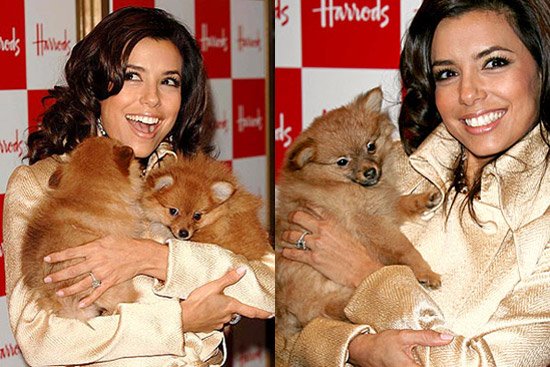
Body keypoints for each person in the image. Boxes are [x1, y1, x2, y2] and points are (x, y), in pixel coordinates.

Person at [276, 0, 550, 365]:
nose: (468, 94)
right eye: (447, 74)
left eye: (494, 63)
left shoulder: (541, 214)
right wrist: (357, 349)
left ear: (541, 64)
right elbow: (283, 340)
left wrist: (366, 276)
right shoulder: (396, 167)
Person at [3, 7, 274, 366]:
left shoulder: (191, 180)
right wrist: (178, 321)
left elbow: (269, 291)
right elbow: (43, 343)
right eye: (133, 76)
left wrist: (158, 258)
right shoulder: (41, 186)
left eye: (169, 81)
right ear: (96, 84)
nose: (152, 99)